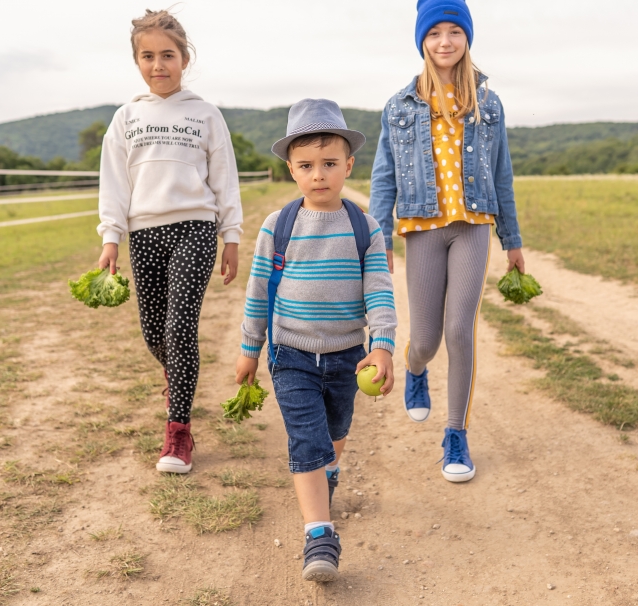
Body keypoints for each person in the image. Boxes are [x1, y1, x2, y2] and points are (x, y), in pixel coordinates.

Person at [236, 99, 397, 582]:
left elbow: (380, 289)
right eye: (307, 166)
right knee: (307, 438)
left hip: (349, 353)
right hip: (292, 353)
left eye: (330, 164)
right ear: (292, 169)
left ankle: (325, 477)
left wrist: (383, 343)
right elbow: (259, 292)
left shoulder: (363, 226)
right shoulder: (277, 226)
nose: (319, 174)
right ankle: (318, 534)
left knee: (335, 432)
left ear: (349, 165)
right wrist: (250, 350)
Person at [369, 0, 525, 483]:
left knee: (460, 331)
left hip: (473, 227)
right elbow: (383, 179)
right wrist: (379, 244)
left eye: (454, 31)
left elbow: (502, 175)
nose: (444, 41)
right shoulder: (400, 106)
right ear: (422, 41)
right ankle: (416, 371)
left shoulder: (488, 103)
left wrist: (512, 239)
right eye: (434, 32)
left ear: (467, 38)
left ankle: (455, 434)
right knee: (428, 339)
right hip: (423, 230)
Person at [96, 9, 242, 474]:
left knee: (180, 327)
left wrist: (231, 237)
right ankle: (177, 374)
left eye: (168, 55)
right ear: (137, 61)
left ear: (184, 58)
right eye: (148, 56)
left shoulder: (205, 114)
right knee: (154, 333)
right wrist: (110, 236)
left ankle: (178, 432)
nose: (158, 65)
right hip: (144, 234)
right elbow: (114, 184)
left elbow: (225, 179)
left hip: (194, 229)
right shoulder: (126, 118)